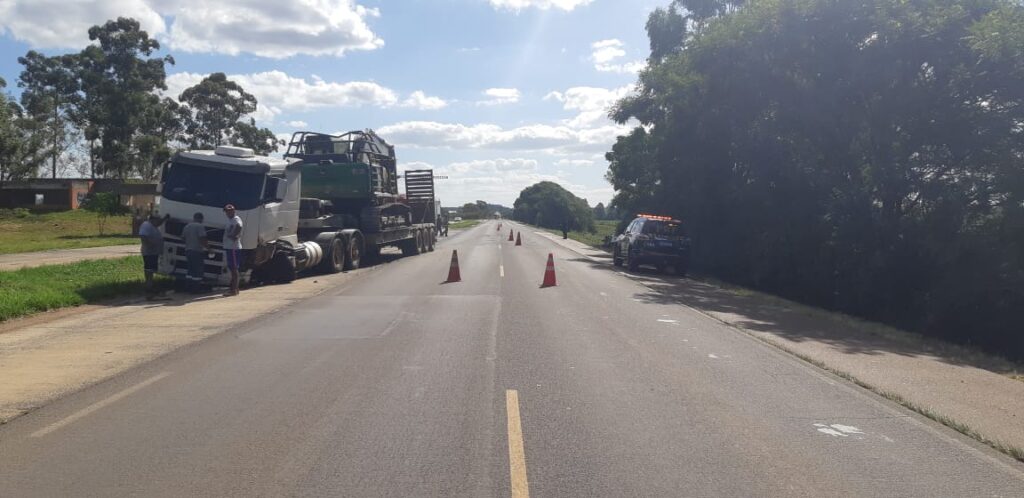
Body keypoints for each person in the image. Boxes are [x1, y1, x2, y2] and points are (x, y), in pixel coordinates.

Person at [138, 214, 168, 300]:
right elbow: (143, 236)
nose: (159, 222)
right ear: (153, 220)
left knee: (151, 271)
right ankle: (148, 291)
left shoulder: (153, 225)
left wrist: (165, 218)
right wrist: (150, 245)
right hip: (149, 253)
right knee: (149, 272)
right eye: (157, 220)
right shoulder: (146, 225)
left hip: (153, 253)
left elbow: (159, 223)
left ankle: (151, 290)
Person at [182, 212, 208, 293]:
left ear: (194, 218)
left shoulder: (187, 226)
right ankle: (196, 289)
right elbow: (202, 239)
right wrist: (209, 248)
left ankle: (188, 287)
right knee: (198, 271)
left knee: (190, 270)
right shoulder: (200, 226)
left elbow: (182, 238)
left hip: (188, 251)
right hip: (197, 251)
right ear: (201, 219)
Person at [222, 204, 243, 296]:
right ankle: (235, 289)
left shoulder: (236, 219)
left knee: (234, 269)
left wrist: (234, 235)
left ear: (233, 211)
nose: (227, 213)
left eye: (229, 211)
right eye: (226, 211)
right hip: (229, 247)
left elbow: (239, 226)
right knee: (232, 268)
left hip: (233, 247)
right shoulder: (230, 220)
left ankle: (233, 290)